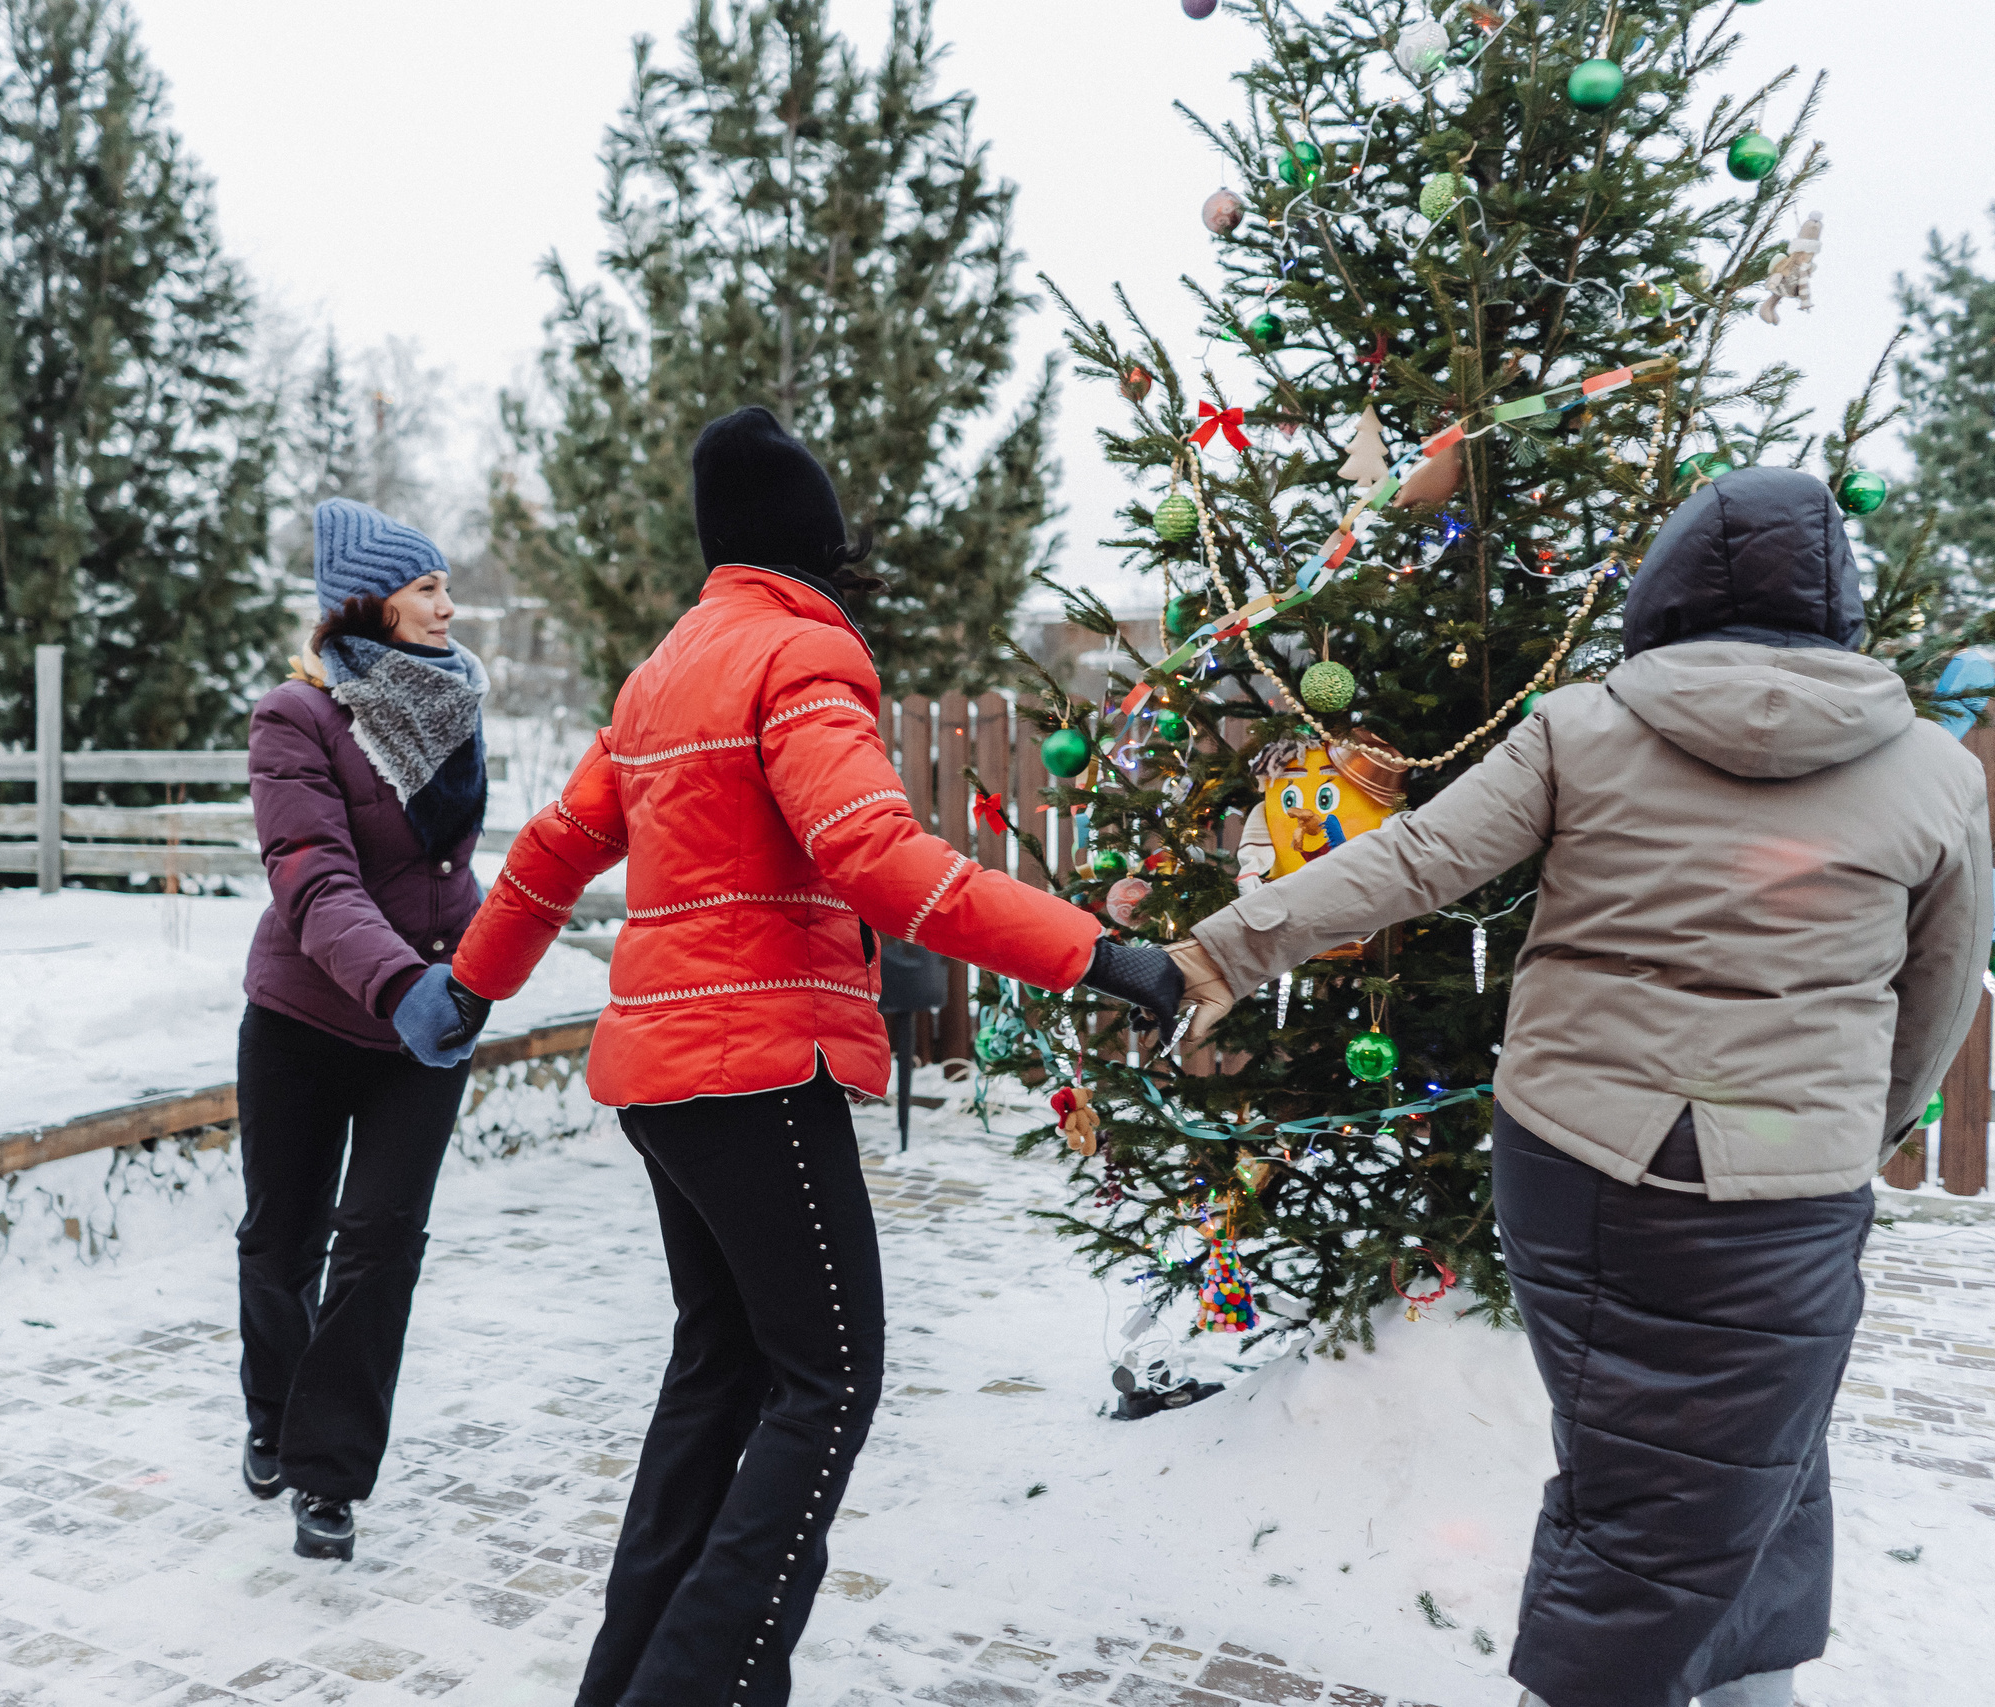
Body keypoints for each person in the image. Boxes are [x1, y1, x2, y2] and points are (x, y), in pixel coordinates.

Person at [1163, 467, 1990, 1707]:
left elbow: (1416, 858)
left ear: (1667, 586)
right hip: (1793, 1186)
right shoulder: (1933, 771)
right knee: (1737, 1463)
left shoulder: (1584, 725)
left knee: (1677, 1470)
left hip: (1580, 1160)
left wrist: (1224, 948)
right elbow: (1939, 992)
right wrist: (1844, 1138)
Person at [435, 406, 1183, 1707]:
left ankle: (631, 1678)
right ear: (812, 539)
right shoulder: (797, 654)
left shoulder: (665, 671)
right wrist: (1099, 953)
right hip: (757, 1066)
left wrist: (466, 986)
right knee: (830, 1375)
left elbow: (555, 845)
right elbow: (880, 860)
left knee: (721, 1371)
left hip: (665, 1074)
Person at [235, 497, 492, 1562]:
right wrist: (397, 983)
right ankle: (273, 1412)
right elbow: (313, 876)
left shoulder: (453, 700)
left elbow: (446, 870)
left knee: (381, 1246)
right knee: (282, 1239)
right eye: (427, 587)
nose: (447, 605)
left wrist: (480, 963)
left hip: (425, 1025)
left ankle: (328, 1473)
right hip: (306, 1013)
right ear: (370, 602)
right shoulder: (293, 719)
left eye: (442, 586)